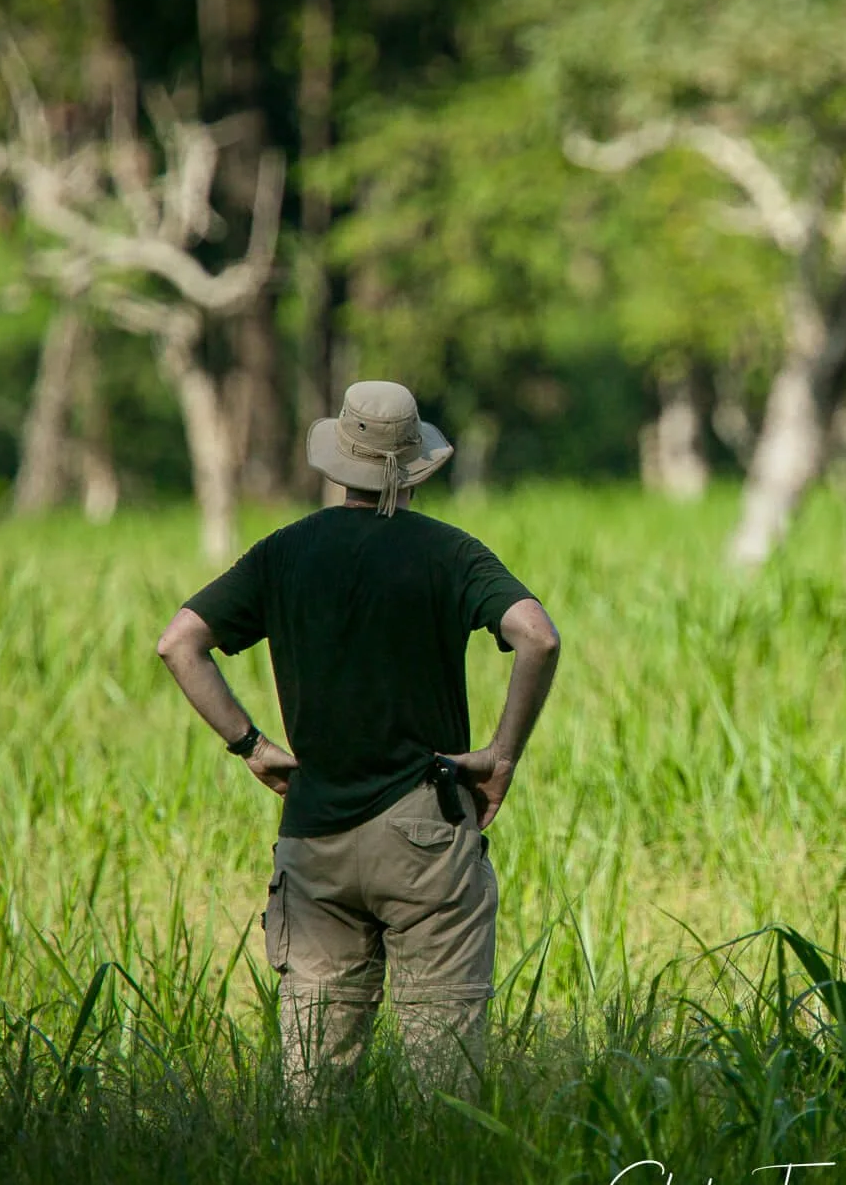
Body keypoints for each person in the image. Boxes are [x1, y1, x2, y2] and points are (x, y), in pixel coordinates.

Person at [156, 381, 560, 1101]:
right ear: (414, 466)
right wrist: (502, 756)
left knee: (313, 1087)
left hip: (314, 838)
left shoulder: (283, 553)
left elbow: (180, 642)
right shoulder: (450, 552)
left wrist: (250, 744)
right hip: (426, 834)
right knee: (446, 1084)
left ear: (340, 458)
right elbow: (537, 635)